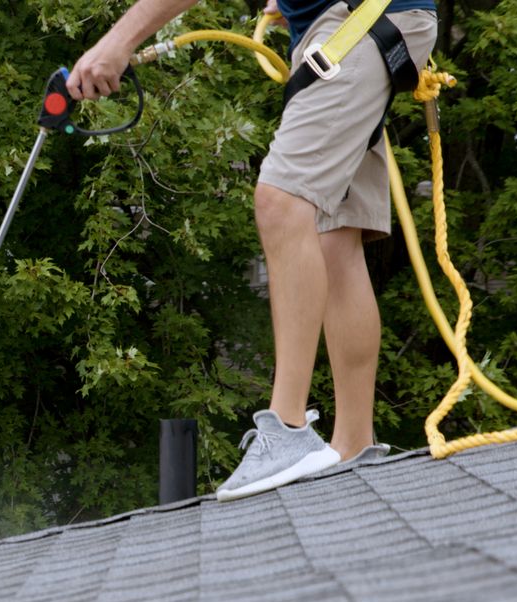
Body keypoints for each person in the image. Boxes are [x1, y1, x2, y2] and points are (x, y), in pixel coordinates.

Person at [66, 0, 437, 500]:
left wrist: (116, 42)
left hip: (362, 19)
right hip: (371, 22)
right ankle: (353, 445)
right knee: (334, 236)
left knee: (281, 203)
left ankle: (285, 431)